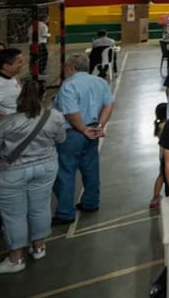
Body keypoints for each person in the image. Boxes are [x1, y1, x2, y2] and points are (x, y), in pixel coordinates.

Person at [0, 81, 67, 274]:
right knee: (40, 207)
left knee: (14, 217)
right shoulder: (55, 116)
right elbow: (61, 139)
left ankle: (15, 259)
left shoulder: (6, 122)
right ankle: (38, 247)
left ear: (18, 99)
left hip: (12, 171)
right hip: (46, 167)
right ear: (43, 96)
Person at [51, 54, 114, 224]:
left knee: (65, 172)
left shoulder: (69, 85)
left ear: (72, 67)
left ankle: (65, 213)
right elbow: (109, 104)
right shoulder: (100, 82)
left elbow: (72, 112)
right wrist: (100, 125)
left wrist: (82, 128)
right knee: (91, 169)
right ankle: (90, 202)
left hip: (72, 133)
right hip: (93, 130)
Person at [0, 48, 26, 117]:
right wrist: (8, 121)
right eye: (19, 62)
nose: (22, 64)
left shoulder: (11, 76)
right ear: (6, 66)